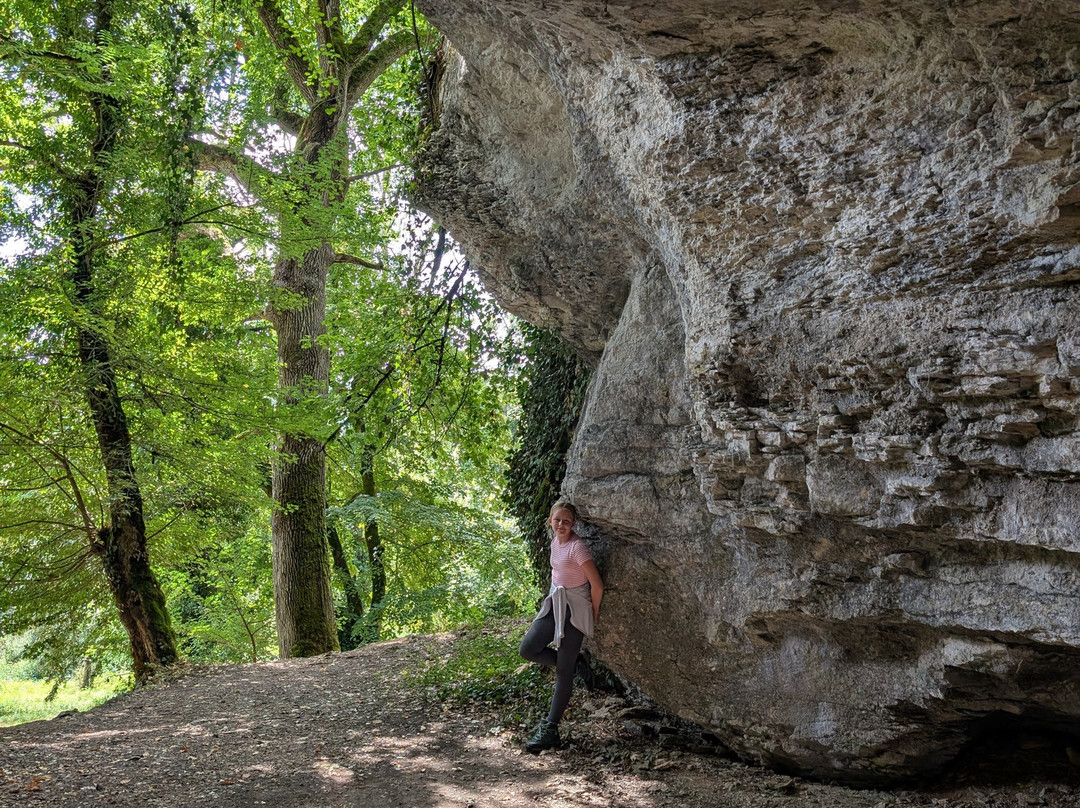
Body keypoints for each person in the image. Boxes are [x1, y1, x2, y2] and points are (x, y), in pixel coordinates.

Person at [518, 500, 604, 753]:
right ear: (550, 521)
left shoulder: (578, 548)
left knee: (562, 675)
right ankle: (576, 663)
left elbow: (597, 585)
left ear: (574, 524)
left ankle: (550, 729)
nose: (562, 525)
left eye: (567, 521)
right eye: (557, 520)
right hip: (556, 603)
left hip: (575, 610)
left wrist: (593, 613)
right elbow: (558, 575)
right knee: (528, 649)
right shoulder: (555, 543)